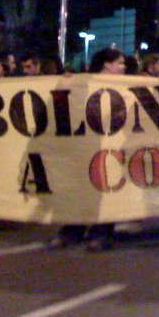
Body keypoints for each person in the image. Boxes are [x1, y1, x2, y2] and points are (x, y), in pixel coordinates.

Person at [48, 48, 126, 252]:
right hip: (86, 144)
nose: (123, 67)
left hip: (111, 146)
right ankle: (73, 229)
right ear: (106, 64)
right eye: (119, 62)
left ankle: (101, 233)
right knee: (80, 188)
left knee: (107, 189)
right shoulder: (82, 82)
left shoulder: (125, 84)